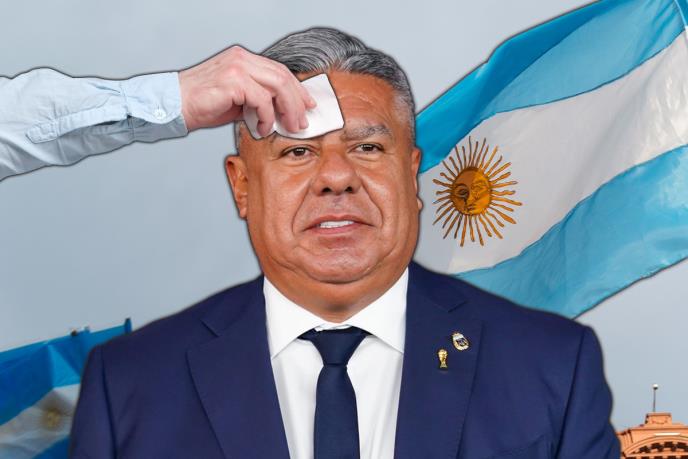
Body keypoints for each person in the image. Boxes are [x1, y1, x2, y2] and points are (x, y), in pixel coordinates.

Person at [4, 27, 620, 458]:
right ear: (242, 186)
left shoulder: (551, 368)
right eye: (297, 152)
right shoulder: (130, 385)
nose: (336, 176)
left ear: (412, 175)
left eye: (368, 147)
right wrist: (169, 100)